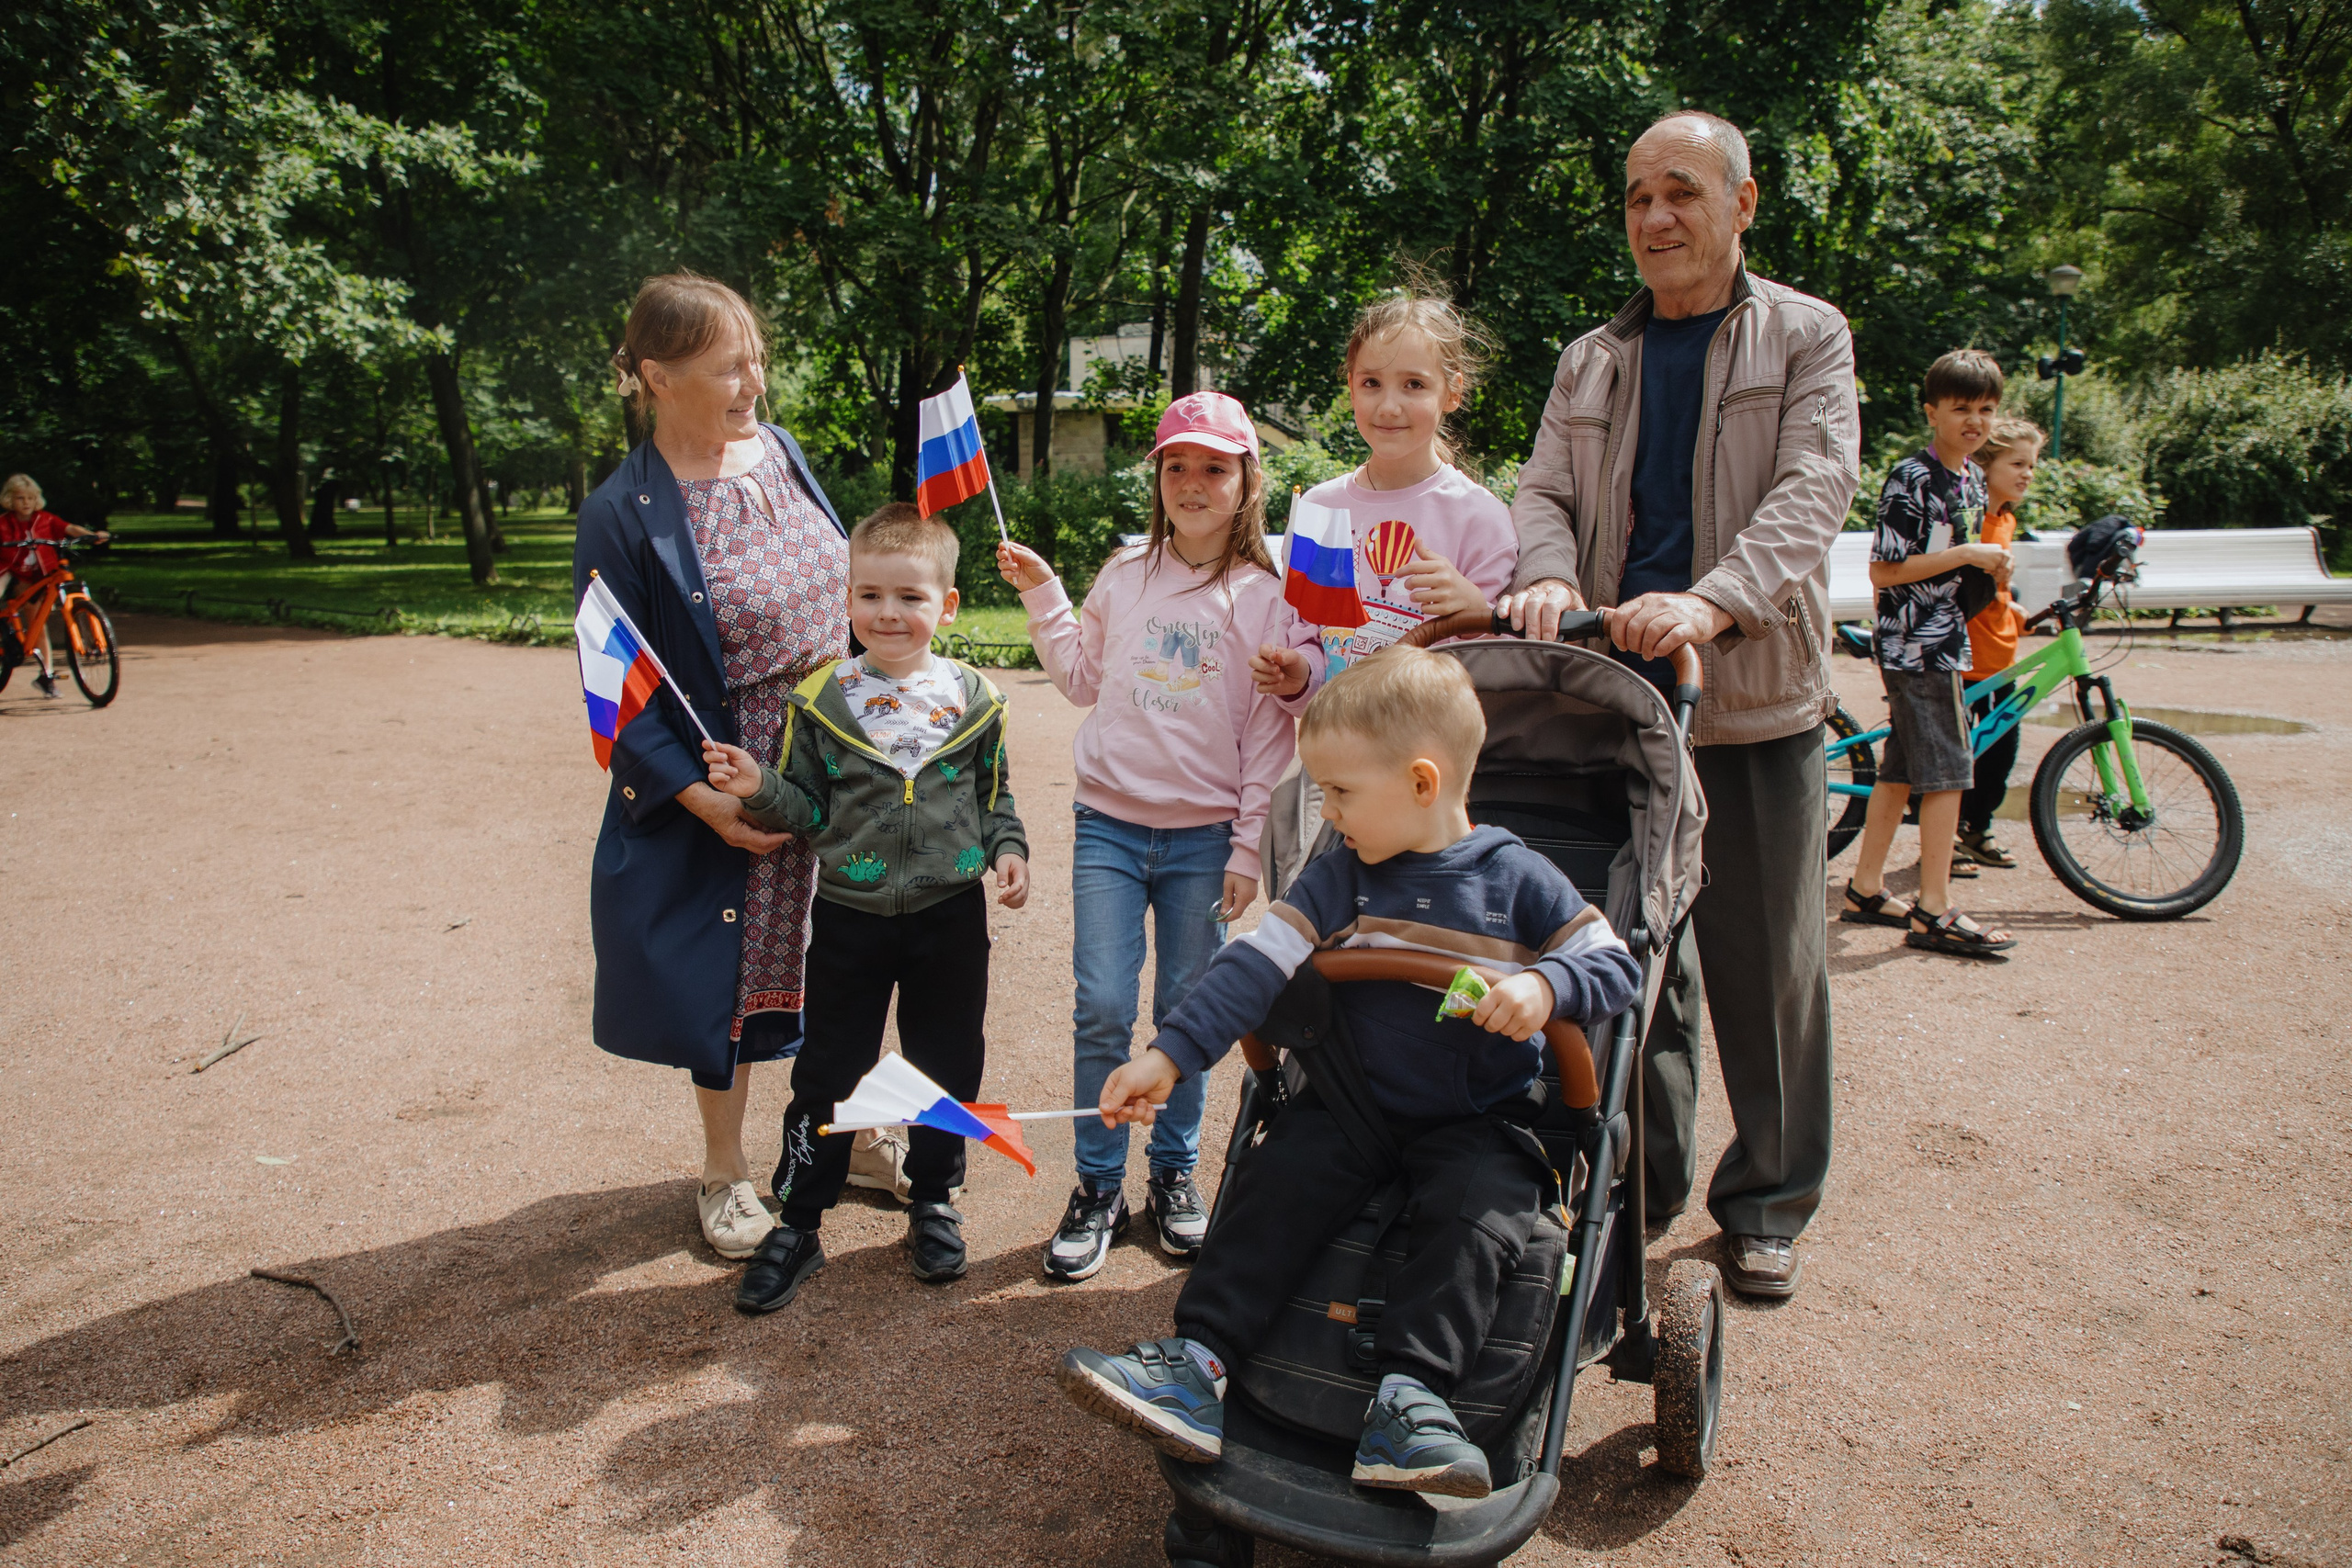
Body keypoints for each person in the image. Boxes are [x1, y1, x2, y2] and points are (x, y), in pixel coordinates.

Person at [1055, 648, 1640, 1499]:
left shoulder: (1520, 881)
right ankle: (1197, 1362)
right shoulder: (1341, 878)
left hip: (1480, 1115)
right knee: (1274, 1177)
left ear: (1422, 782)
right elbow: (1252, 966)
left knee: (1480, 1218)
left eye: (1340, 792)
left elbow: (1613, 964)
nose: (1326, 811)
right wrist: (1168, 1055)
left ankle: (1414, 1401)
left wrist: (1545, 984)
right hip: (1352, 1102)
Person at [1496, 110, 1859, 1299]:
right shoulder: (1593, 357)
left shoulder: (1807, 335)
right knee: (1627, 960)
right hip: (1611, 704)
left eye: (1684, 192)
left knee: (1766, 962)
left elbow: (1815, 488)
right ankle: (1630, 1190)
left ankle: (1768, 1196)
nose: (1657, 216)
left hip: (1745, 698)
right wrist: (1546, 572)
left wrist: (1715, 601)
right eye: (1640, 195)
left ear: (1742, 205)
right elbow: (1542, 485)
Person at [573, 272, 883, 1266]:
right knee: (740, 972)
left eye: (755, 356)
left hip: (840, 746)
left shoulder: (782, 451)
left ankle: (843, 1132)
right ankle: (724, 1170)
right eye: (727, 366)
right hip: (740, 765)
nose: (753, 381)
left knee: (851, 946)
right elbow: (610, 679)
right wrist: (701, 798)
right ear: (656, 378)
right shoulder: (621, 512)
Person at [996, 391, 1322, 1281]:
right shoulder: (1125, 572)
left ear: (1246, 479)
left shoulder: (1267, 596)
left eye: (1213, 466)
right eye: (1175, 465)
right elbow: (1078, 678)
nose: (1191, 482)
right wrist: (1045, 596)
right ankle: (1097, 1184)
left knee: (1187, 1015)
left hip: (1202, 840)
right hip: (1107, 823)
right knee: (1101, 1004)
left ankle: (1173, 1177)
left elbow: (1270, 733)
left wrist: (1248, 849)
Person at [703, 503, 1030, 1313]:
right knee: (828, 1071)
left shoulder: (976, 698)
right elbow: (804, 810)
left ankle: (932, 1200)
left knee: (945, 1065)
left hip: (951, 918)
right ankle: (802, 1217)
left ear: (946, 605)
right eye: (872, 595)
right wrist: (758, 787)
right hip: (849, 915)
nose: (890, 613)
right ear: (847, 601)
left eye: (911, 597)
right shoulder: (821, 700)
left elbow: (996, 795)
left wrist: (1009, 848)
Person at [1841, 350, 2018, 959]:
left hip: (1945, 637)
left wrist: (1982, 565)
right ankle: (1934, 908)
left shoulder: (1969, 477)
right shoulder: (1911, 477)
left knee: (1903, 770)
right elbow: (1885, 571)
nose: (1974, 419)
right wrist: (1967, 556)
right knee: (1950, 774)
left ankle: (1865, 888)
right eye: (1961, 408)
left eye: (1986, 409)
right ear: (1931, 412)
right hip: (1916, 645)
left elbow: (1950, 560)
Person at [1257, 286, 1519, 688]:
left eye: (1414, 384)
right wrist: (1299, 675)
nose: (1389, 406)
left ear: (1453, 392)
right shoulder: (1319, 508)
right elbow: (1308, 640)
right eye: (1371, 383)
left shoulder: (1481, 517)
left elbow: (1500, 672)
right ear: (1351, 386)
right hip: (1336, 744)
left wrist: (1473, 612)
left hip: (1432, 746)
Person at [1953, 417, 2044, 870]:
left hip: (1998, 657)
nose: (2028, 472)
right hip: (1970, 661)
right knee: (1963, 758)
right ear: (1986, 465)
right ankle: (1949, 835)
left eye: (2032, 464)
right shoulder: (1975, 519)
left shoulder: (2005, 518)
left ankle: (1975, 828)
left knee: (1999, 753)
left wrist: (2013, 608)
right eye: (2017, 462)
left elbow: (1993, 589)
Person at [1, 474, 109, 698]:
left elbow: (69, 528)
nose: (26, 503)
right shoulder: (3, 523)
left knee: (38, 624)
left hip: (39, 576)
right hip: (9, 571)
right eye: (20, 498)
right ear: (10, 500)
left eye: (31, 498)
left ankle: (46, 675)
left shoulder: (45, 519)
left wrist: (91, 535)